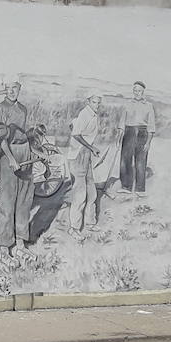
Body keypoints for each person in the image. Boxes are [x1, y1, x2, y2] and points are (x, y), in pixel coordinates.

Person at [0, 75, 38, 264]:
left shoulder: (23, 109)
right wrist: (11, 159)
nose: (11, 91)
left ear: (20, 88)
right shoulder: (1, 108)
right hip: (8, 152)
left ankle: (20, 244)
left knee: (24, 200)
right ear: (4, 88)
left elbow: (24, 134)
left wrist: (34, 150)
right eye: (8, 88)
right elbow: (1, 137)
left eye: (15, 87)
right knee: (7, 201)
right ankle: (4, 248)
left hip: (24, 150)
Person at [68, 93, 103, 237]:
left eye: (99, 103)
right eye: (94, 102)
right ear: (88, 101)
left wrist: (90, 150)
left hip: (86, 154)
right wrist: (91, 147)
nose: (97, 105)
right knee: (80, 194)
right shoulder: (85, 114)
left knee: (92, 191)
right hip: (78, 156)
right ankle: (74, 228)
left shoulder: (94, 115)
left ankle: (90, 223)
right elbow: (76, 134)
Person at [118, 81, 157, 195]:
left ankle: (140, 189)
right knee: (125, 160)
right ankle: (126, 186)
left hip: (142, 133)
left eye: (139, 91)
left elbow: (151, 125)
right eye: (135, 90)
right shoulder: (127, 104)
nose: (137, 93)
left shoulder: (149, 106)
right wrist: (119, 136)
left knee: (141, 161)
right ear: (133, 91)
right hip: (129, 132)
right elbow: (122, 122)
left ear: (143, 92)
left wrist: (148, 142)